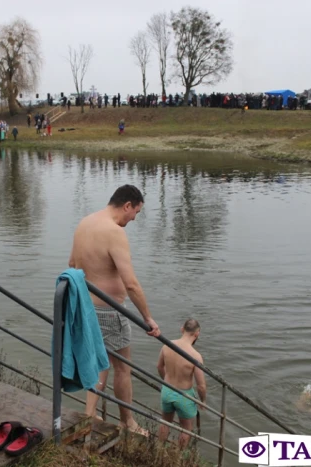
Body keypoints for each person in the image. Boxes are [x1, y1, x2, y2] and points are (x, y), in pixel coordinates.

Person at [68, 184, 160, 435]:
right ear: (127, 205)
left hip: (87, 308)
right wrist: (148, 318)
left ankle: (88, 415)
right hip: (110, 311)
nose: (133, 219)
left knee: (98, 364)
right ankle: (127, 421)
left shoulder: (85, 223)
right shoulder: (114, 232)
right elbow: (130, 283)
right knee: (122, 368)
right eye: (136, 213)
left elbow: (72, 265)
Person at [156, 318, 206, 448]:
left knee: (165, 423)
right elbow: (201, 385)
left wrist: (166, 381)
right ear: (197, 334)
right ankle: (178, 456)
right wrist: (203, 401)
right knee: (186, 428)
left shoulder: (167, 345)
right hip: (184, 395)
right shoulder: (195, 356)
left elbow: (159, 367)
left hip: (167, 391)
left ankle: (159, 450)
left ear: (182, 329)